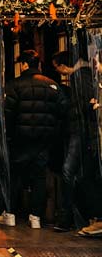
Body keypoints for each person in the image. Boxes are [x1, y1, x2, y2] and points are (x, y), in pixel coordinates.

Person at [2, 49, 65, 229]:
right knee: (39, 178)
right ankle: (36, 216)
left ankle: (11, 214)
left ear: (24, 64)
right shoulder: (52, 85)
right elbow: (62, 111)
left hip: (20, 140)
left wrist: (11, 135)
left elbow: (8, 114)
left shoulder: (14, 85)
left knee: (15, 176)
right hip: (44, 141)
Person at [51, 50, 96, 232]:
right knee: (81, 173)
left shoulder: (79, 78)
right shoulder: (86, 75)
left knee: (69, 171)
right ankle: (82, 215)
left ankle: (68, 216)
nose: (59, 73)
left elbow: (82, 107)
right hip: (85, 132)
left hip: (81, 131)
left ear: (64, 66)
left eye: (58, 68)